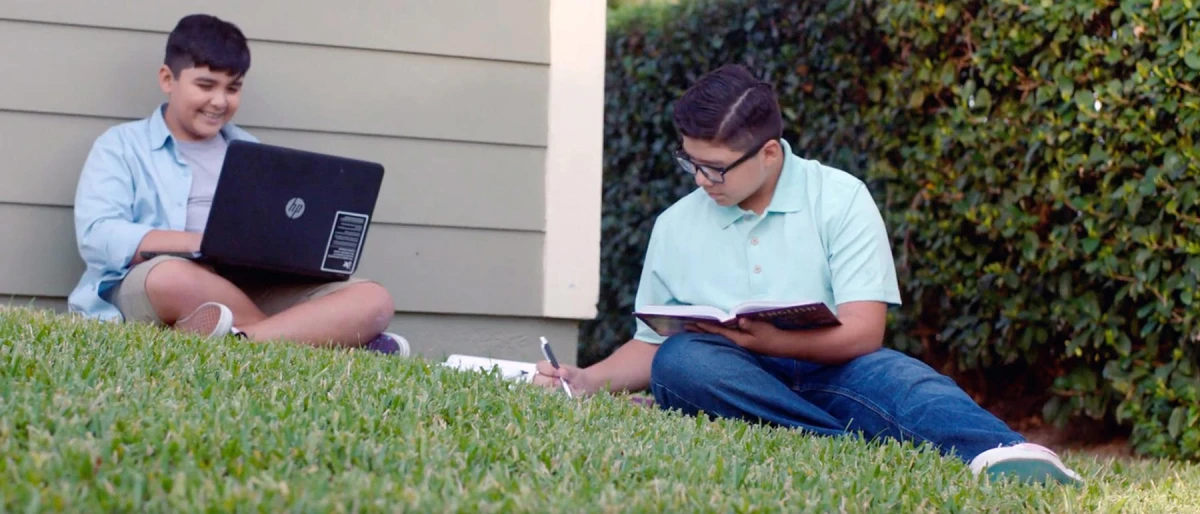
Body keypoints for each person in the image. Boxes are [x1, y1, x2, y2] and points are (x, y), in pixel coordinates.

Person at [534, 64, 1081, 485]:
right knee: (681, 364)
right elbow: (653, 344)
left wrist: (774, 338)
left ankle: (1005, 454)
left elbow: (864, 331)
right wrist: (586, 379)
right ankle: (847, 444)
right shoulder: (674, 226)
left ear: (769, 153)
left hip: (838, 366)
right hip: (732, 374)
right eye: (691, 163)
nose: (701, 180)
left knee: (905, 382)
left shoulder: (839, 197)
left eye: (715, 168)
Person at [67, 14, 408, 355]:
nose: (219, 101)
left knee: (374, 298)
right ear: (168, 79)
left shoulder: (250, 152)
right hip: (159, 281)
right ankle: (320, 341)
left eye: (233, 88)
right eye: (206, 85)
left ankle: (242, 340)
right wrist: (202, 243)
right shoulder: (121, 146)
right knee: (173, 276)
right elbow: (97, 235)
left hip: (245, 286)